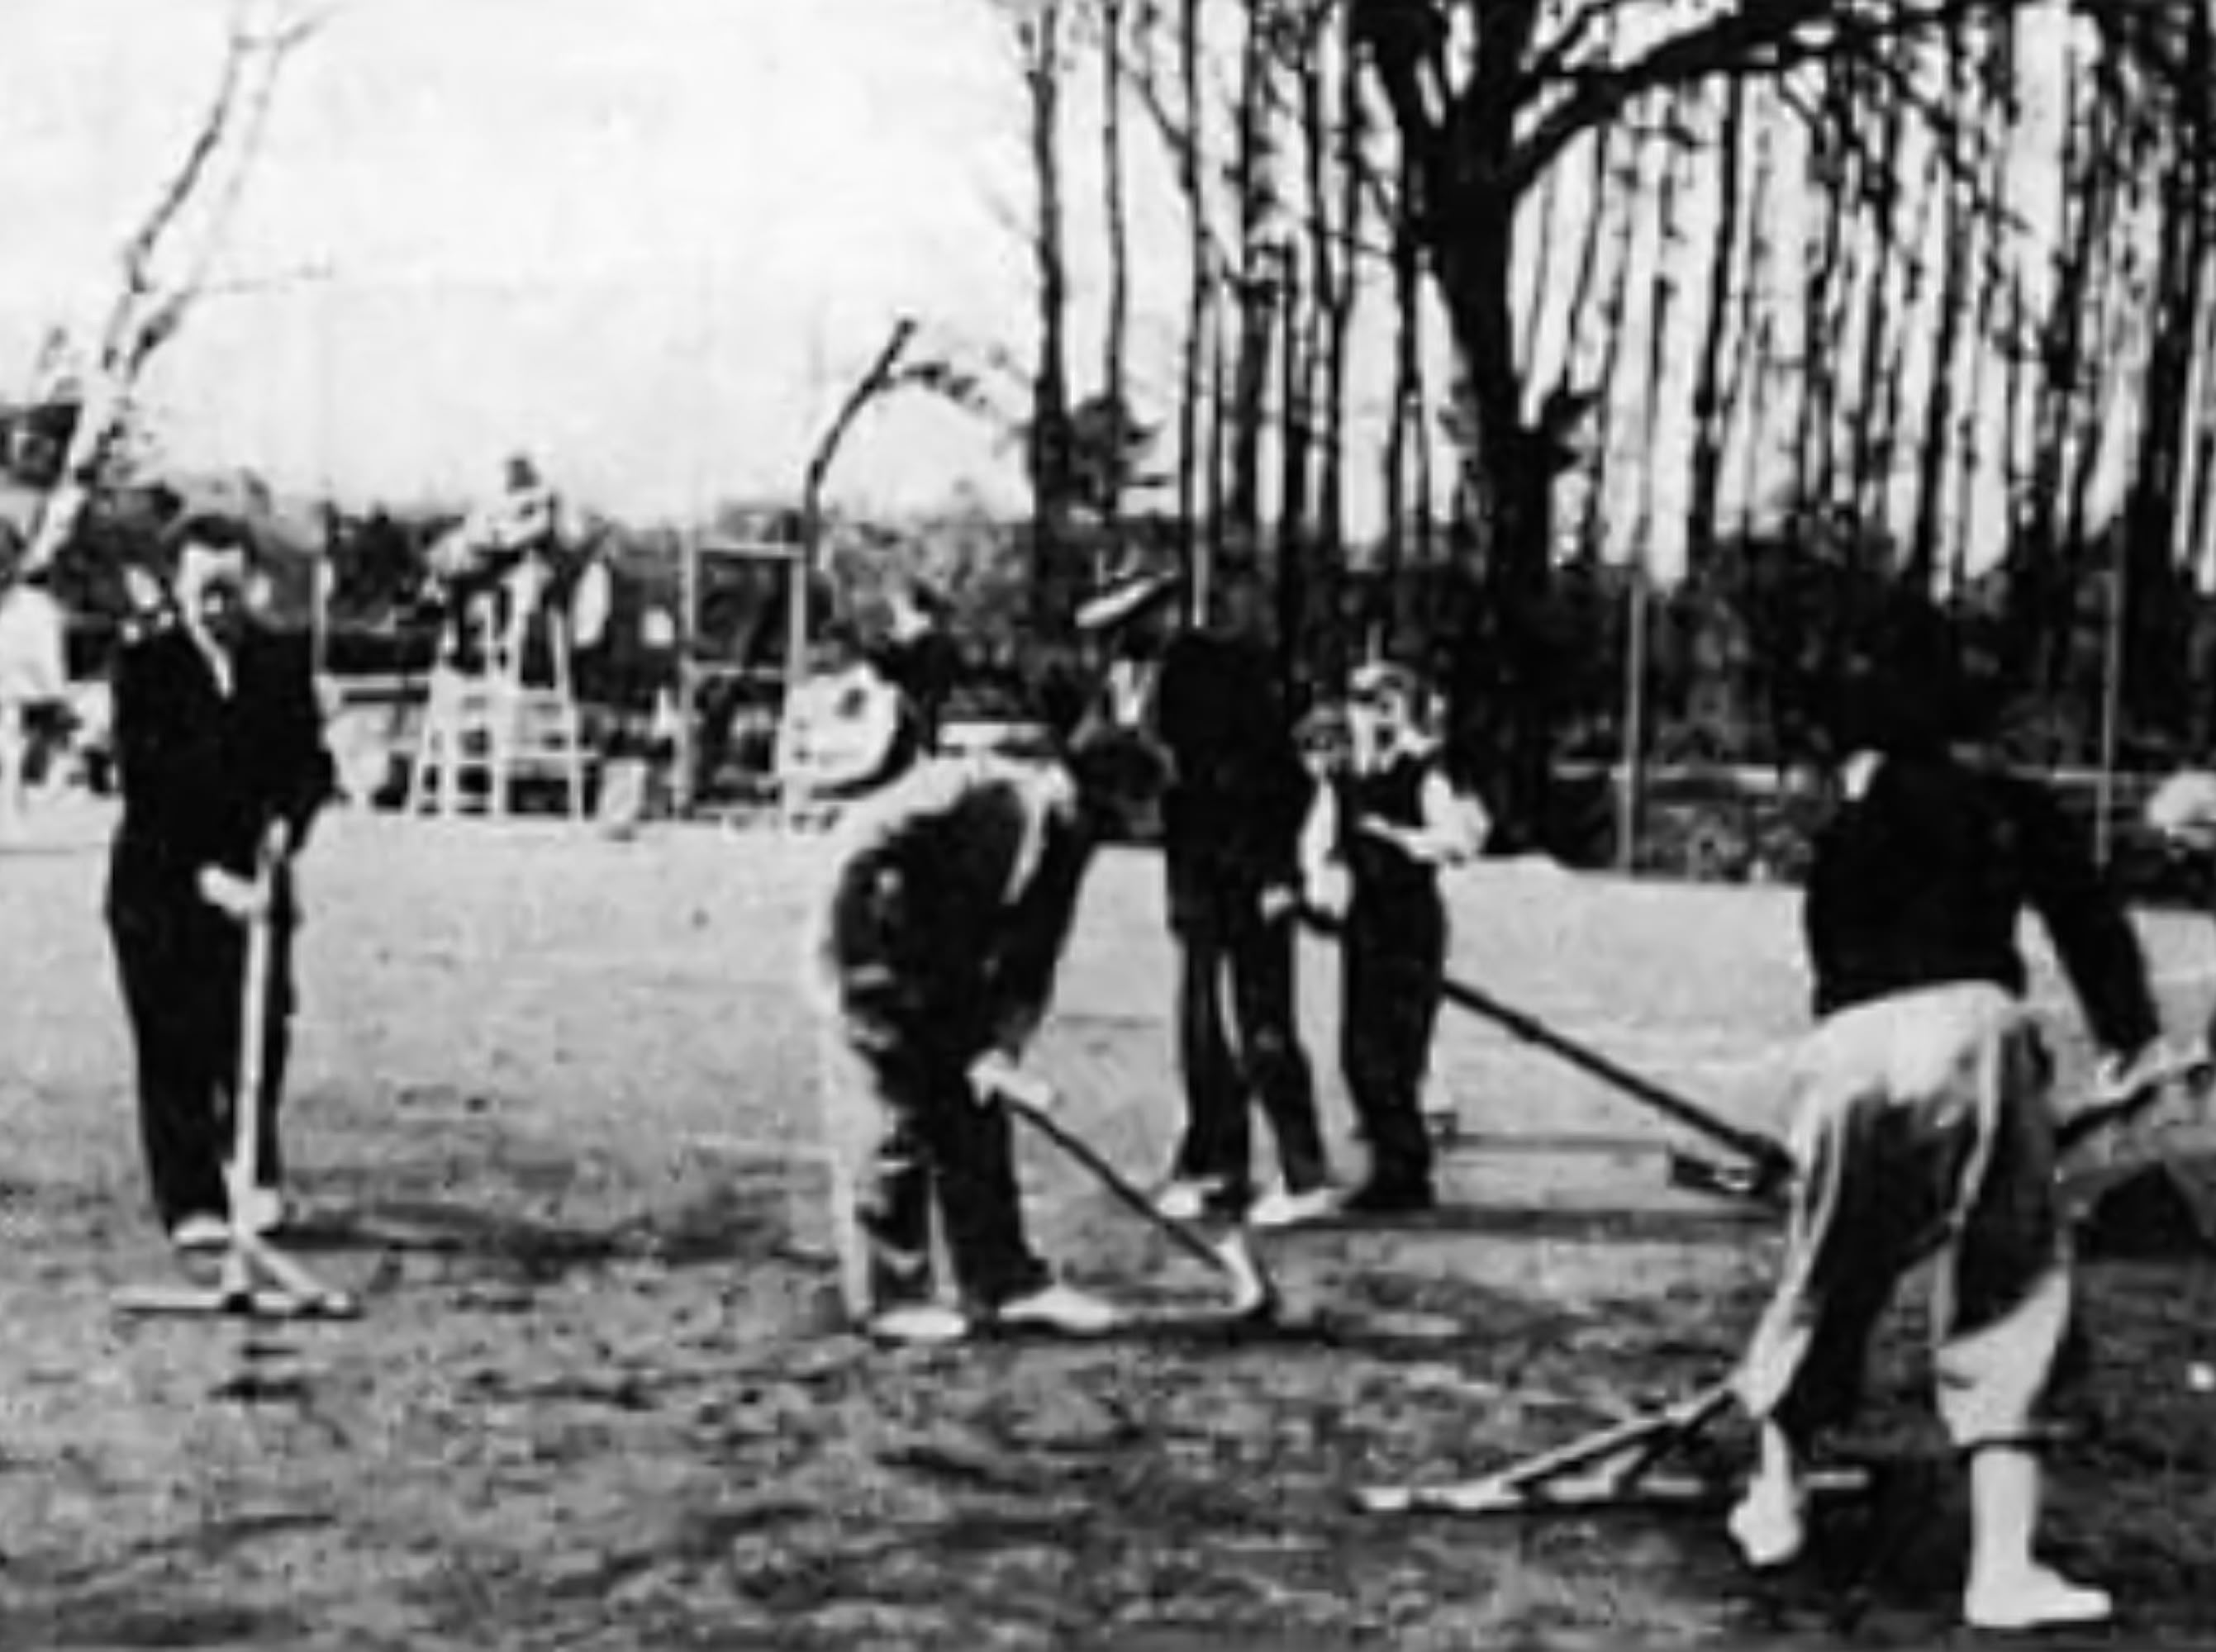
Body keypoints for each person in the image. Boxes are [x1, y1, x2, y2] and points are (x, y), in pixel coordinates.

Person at [1728, 638, 2169, 1633]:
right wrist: (2128, 1044)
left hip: (1843, 1046)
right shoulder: (2004, 798)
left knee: (1824, 1268)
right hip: (1973, 1027)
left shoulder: (1849, 821)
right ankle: (2001, 1569)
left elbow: (1838, 967)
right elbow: (2086, 914)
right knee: (2008, 1283)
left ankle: (1775, 1500)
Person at [806, 707, 1134, 1346]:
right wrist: (862, 964)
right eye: (1112, 811)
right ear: (1069, 783)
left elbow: (1036, 948)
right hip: (871, 942)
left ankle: (1005, 1281)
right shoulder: (972, 792)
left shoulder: (1071, 837)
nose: (1111, 830)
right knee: (888, 1114)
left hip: (947, 967)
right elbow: (863, 846)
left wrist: (1003, 1046)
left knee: (975, 1113)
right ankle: (887, 1295)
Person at [1075, 559, 1332, 1232]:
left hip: (1249, 866)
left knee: (1260, 1022)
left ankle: (1305, 1172)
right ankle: (1216, 1166)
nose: (1113, 638)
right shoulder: (1120, 684)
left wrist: (1281, 873)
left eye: (1127, 621)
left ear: (1156, 613)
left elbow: (1283, 777)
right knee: (1200, 1022)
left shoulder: (1219, 669)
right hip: (1194, 869)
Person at [106, 514, 336, 1251]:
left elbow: (309, 763)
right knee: (176, 1041)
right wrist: (208, 881)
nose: (218, 608)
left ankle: (254, 1173)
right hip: (164, 889)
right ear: (177, 586)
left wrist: (285, 827)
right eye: (204, 591)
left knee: (256, 1034)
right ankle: (191, 1199)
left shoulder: (278, 663)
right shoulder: (146, 669)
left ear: (252, 586)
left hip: (258, 883)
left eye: (231, 591)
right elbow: (151, 789)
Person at [1299, 662, 1486, 1213]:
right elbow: (1319, 836)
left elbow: (1457, 842)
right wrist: (1315, 887)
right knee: (1360, 1050)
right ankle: (1391, 1163)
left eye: (1385, 701)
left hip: (1411, 920)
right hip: (1367, 920)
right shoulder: (1348, 776)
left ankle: (1405, 1171)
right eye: (1363, 701)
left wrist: (1399, 840)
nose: (1372, 713)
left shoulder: (1423, 770)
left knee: (1399, 1051)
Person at [0, 561, 71, 835]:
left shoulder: (37, 607)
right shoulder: (38, 606)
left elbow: (49, 658)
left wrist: (55, 697)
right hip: (22, 699)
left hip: (27, 700)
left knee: (16, 761)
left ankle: (14, 822)